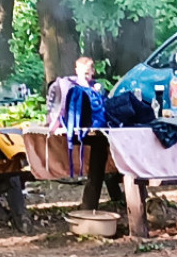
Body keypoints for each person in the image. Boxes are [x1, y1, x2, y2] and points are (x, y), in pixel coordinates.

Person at [46, 56, 123, 207]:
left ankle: (108, 196)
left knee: (108, 146)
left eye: (88, 73)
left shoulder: (97, 87)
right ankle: (91, 203)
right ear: (76, 71)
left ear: (93, 71)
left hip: (97, 129)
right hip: (76, 131)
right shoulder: (69, 86)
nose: (87, 76)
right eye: (84, 73)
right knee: (101, 147)